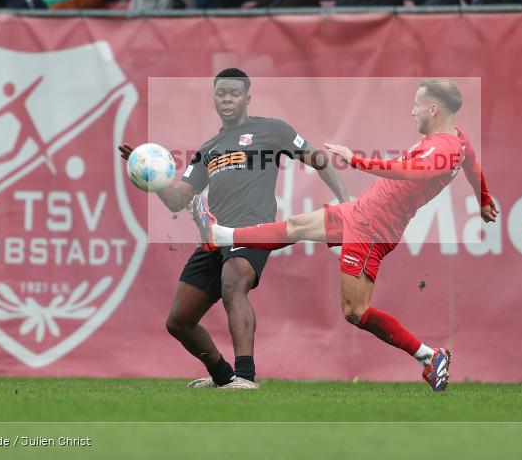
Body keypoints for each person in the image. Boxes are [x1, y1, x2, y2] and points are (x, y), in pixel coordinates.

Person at [192, 79, 498, 392]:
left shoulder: (443, 150)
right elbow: (473, 165)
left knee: (355, 312)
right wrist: (484, 200)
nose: (412, 111)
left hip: (372, 230)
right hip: (362, 211)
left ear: (434, 108)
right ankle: (222, 234)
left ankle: (430, 356)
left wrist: (357, 161)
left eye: (417, 104)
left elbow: (410, 172)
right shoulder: (458, 139)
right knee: (297, 226)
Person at [117, 69, 349, 389]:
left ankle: (245, 377)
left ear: (247, 98)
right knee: (179, 321)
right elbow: (177, 200)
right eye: (221, 93)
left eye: (234, 93)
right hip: (215, 236)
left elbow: (319, 160)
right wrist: (151, 177)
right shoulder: (208, 148)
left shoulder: (272, 130)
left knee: (233, 285)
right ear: (214, 99)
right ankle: (223, 377)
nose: (227, 98)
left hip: (251, 229)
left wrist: (345, 201)